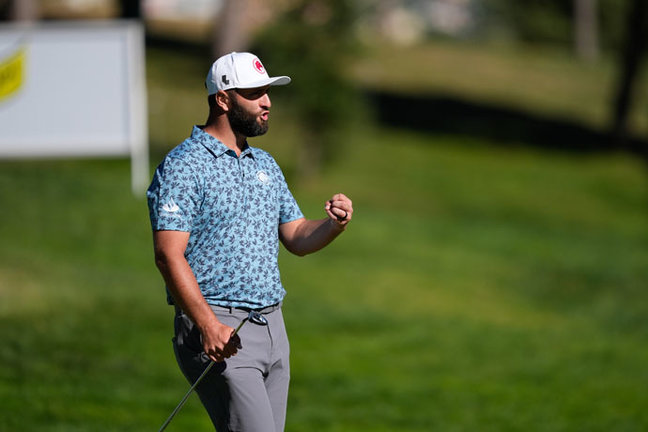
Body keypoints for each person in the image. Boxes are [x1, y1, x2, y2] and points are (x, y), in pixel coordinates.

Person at [146, 51, 353, 432]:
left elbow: (295, 236)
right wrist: (207, 325)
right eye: (255, 93)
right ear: (223, 99)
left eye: (267, 92)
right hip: (220, 330)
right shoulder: (183, 165)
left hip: (274, 328)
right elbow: (167, 255)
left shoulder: (265, 165)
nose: (267, 102)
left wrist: (332, 224)